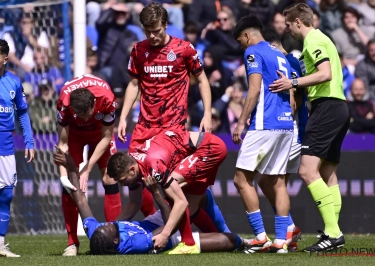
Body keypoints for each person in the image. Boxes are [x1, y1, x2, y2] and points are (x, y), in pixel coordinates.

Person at [117, 2, 212, 253]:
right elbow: (134, 84)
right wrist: (124, 116)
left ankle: (193, 236)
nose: (152, 35)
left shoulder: (183, 49)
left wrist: (207, 114)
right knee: (131, 183)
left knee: (177, 188)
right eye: (148, 31)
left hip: (172, 129)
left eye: (156, 30)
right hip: (143, 129)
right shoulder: (138, 50)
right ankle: (116, 231)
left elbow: (202, 79)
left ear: (166, 25)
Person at [54, 146, 246, 254]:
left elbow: (80, 200)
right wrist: (155, 192)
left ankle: (223, 230)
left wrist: (71, 166)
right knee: (229, 241)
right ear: (115, 240)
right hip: (167, 234)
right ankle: (245, 242)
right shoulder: (135, 243)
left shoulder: (96, 233)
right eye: (107, 228)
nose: (104, 225)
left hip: (153, 221)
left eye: (101, 227)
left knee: (199, 195)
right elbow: (170, 221)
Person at [269, 2, 349, 252]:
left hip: (328, 108)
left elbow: (324, 73)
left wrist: (292, 82)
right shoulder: (321, 39)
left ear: (298, 22)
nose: (287, 29)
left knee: (307, 170)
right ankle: (332, 232)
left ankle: (333, 234)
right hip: (337, 107)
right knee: (328, 173)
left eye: (288, 24)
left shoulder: (313, 40)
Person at [107, 130, 228, 253]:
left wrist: (165, 235)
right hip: (200, 149)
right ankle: (229, 238)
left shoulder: (153, 166)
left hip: (209, 147)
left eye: (122, 180)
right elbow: (134, 203)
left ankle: (188, 243)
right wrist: (110, 227)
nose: (122, 184)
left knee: (174, 193)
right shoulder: (134, 166)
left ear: (132, 170)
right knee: (190, 206)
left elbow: (181, 202)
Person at [231, 16, 294, 254]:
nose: (242, 47)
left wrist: (240, 122)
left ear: (247, 36)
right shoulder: (278, 52)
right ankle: (281, 241)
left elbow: (254, 88)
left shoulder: (253, 53)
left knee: (241, 179)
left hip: (264, 123)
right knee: (278, 183)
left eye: (240, 41)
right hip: (286, 124)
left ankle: (260, 237)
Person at [56, 74, 122, 256]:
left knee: (110, 178)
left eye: (87, 114)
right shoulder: (64, 101)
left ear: (94, 102)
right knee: (71, 184)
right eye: (80, 115)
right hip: (74, 136)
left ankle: (115, 238)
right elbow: (62, 145)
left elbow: (107, 137)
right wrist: (63, 175)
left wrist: (88, 167)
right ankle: (72, 243)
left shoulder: (107, 99)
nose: (84, 119)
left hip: (99, 135)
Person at [260, 26, 307, 252]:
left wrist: (285, 115)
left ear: (270, 45)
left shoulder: (290, 62)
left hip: (290, 129)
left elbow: (296, 97)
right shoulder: (278, 61)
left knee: (274, 182)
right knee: (271, 182)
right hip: (284, 129)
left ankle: (288, 230)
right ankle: (289, 230)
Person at [0, 38, 34, 258]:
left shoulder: (14, 82)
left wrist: (30, 141)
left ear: (5, 59)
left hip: (6, 148)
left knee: (5, 196)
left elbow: (23, 113)